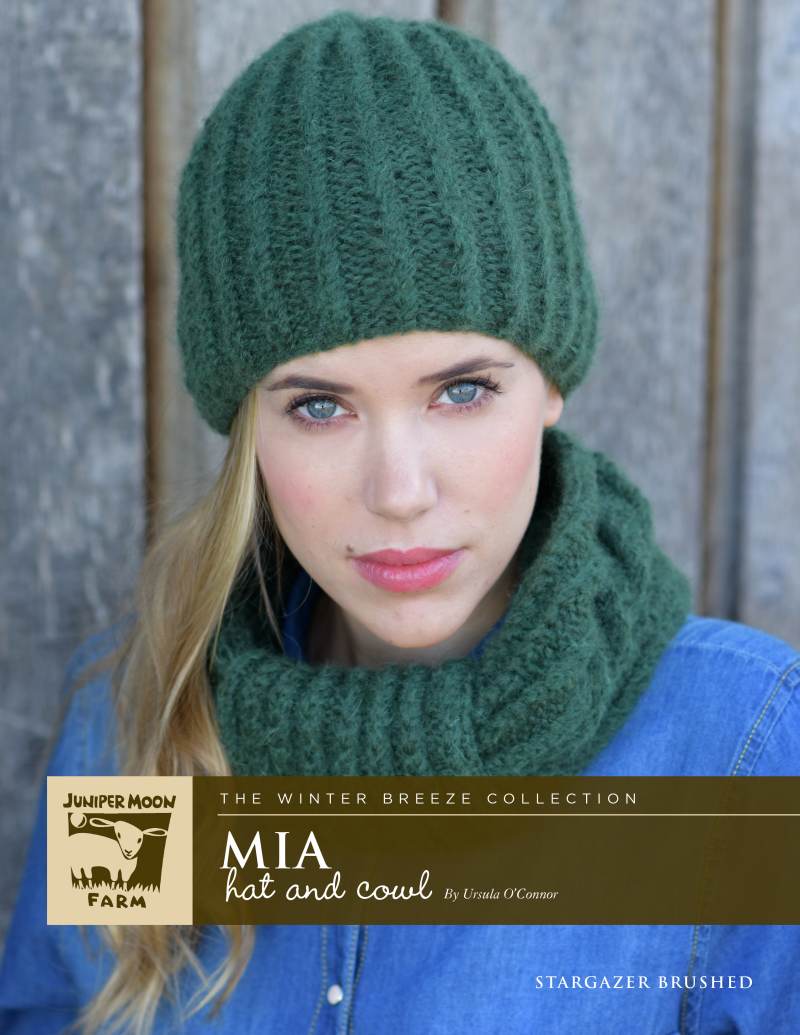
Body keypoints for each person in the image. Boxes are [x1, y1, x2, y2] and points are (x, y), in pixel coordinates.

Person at [1, 9, 798, 1035]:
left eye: (461, 391)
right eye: (318, 407)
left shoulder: (736, 756)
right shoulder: (140, 724)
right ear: (247, 426)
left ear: (550, 383)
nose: (399, 490)